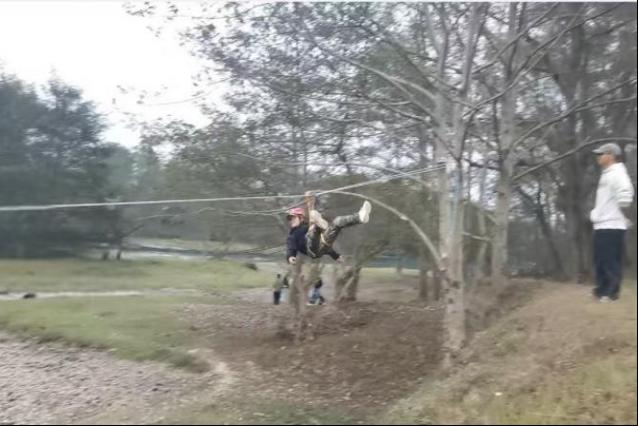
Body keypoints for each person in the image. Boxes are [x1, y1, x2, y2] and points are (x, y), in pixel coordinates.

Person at [590, 142, 635, 302]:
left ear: (611, 156)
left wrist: (622, 209)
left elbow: (625, 194)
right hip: (602, 224)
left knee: (610, 261)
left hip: (612, 225)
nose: (598, 157)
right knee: (600, 260)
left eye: (601, 154)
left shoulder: (618, 173)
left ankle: (611, 293)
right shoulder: (607, 173)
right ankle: (601, 290)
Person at [285, 201, 372, 265]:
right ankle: (319, 225)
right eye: (289, 219)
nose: (290, 220)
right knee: (312, 227)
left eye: (292, 218)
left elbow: (326, 248)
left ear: (301, 218)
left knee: (337, 221)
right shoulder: (292, 235)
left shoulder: (306, 226)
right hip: (311, 249)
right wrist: (290, 257)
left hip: (322, 245)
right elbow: (291, 248)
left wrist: (336, 256)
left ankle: (360, 217)